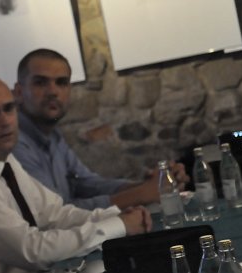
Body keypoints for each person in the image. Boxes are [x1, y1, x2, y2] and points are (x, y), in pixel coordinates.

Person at [0, 74, 151, 273]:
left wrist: (114, 217)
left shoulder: (3, 161)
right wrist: (119, 226)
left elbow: (54, 214)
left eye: (9, 108)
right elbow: (32, 251)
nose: (4, 121)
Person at [12, 48, 189, 210]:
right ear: (19, 92)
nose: (53, 91)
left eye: (61, 82)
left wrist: (153, 184)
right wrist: (141, 194)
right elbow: (57, 214)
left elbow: (87, 183)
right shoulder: (14, 144)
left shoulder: (53, 135)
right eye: (40, 82)